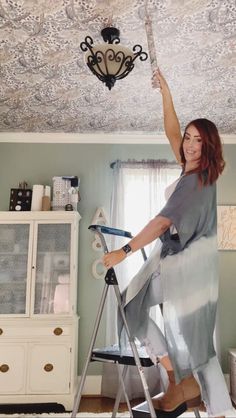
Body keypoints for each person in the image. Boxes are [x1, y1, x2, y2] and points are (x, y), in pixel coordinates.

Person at [103, 69, 233, 417]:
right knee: (197, 342)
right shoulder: (197, 171)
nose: (188, 144)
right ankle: (215, 408)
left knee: (131, 307)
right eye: (189, 138)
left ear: (209, 146)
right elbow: (171, 130)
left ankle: (176, 378)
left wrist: (123, 251)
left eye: (197, 141)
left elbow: (162, 221)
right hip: (193, 268)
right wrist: (167, 93)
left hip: (185, 266)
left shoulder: (194, 181)